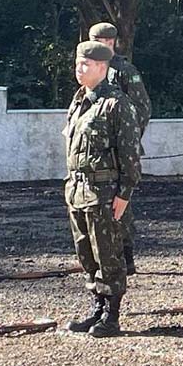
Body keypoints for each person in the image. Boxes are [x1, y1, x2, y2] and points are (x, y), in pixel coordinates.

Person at [62, 41, 142, 338]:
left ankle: (112, 315)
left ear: (102, 67)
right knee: (87, 253)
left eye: (85, 64)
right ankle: (97, 306)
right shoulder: (81, 100)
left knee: (109, 254)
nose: (78, 69)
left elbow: (129, 153)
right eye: (78, 63)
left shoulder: (116, 104)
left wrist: (125, 193)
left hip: (105, 192)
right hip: (79, 190)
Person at [89, 22, 152, 275]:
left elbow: (142, 108)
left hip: (120, 149)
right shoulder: (92, 70)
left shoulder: (124, 71)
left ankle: (126, 257)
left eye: (107, 43)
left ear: (114, 43)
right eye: (98, 42)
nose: (103, 47)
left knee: (120, 204)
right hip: (98, 153)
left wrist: (128, 140)